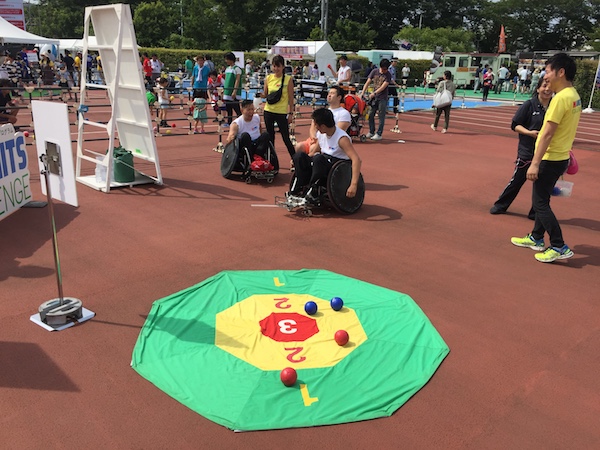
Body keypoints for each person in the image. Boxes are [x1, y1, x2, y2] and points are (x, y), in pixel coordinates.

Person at [510, 53, 581, 263]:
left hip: (550, 158)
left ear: (561, 72)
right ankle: (536, 237)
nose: (545, 75)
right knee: (543, 199)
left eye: (548, 71)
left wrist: (535, 163)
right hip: (560, 157)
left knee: (540, 203)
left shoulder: (560, 99)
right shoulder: (574, 95)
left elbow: (547, 134)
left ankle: (559, 245)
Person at [490, 78, 553, 218]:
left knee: (542, 185)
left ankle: (535, 212)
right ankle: (501, 205)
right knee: (517, 180)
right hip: (527, 151)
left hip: (546, 152)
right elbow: (515, 125)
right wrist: (529, 133)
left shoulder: (554, 107)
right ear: (538, 89)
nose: (547, 89)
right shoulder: (529, 105)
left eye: (550, 87)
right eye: (544, 86)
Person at [289, 108, 361, 203]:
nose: (315, 127)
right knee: (299, 156)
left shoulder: (342, 139)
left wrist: (353, 185)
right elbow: (313, 152)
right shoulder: (321, 134)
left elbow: (356, 159)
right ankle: (299, 186)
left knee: (318, 158)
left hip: (337, 168)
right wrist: (298, 161)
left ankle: (313, 189)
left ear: (322, 126)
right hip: (322, 161)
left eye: (316, 124)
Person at [295, 85, 352, 155]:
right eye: (329, 93)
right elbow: (313, 127)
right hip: (316, 139)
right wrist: (313, 137)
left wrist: (318, 140)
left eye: (332, 93)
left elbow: (336, 131)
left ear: (339, 97)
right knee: (299, 146)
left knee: (313, 148)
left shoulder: (344, 113)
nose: (329, 95)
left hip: (329, 141)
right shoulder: (322, 111)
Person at [262, 54, 295, 161]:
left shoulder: (288, 79)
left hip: (281, 112)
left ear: (283, 67)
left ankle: (295, 160)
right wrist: (259, 96)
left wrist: (291, 113)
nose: (276, 69)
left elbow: (291, 98)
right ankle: (271, 160)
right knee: (270, 137)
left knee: (286, 138)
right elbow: (265, 94)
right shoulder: (268, 78)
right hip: (268, 110)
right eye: (274, 66)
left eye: (278, 66)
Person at [360, 58, 391, 141]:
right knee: (370, 114)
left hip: (382, 98)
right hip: (374, 98)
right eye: (383, 69)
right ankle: (371, 131)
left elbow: (383, 87)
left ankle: (379, 133)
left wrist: (374, 93)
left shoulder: (388, 75)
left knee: (381, 116)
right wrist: (362, 92)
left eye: (386, 69)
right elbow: (368, 82)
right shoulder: (374, 71)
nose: (384, 71)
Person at [222, 52, 243, 127]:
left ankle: (242, 122)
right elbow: (226, 80)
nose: (226, 61)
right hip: (227, 91)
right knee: (228, 108)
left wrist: (235, 91)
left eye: (227, 59)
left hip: (233, 92)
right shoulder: (227, 69)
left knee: (236, 108)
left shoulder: (237, 69)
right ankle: (229, 122)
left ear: (231, 59)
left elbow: (237, 80)